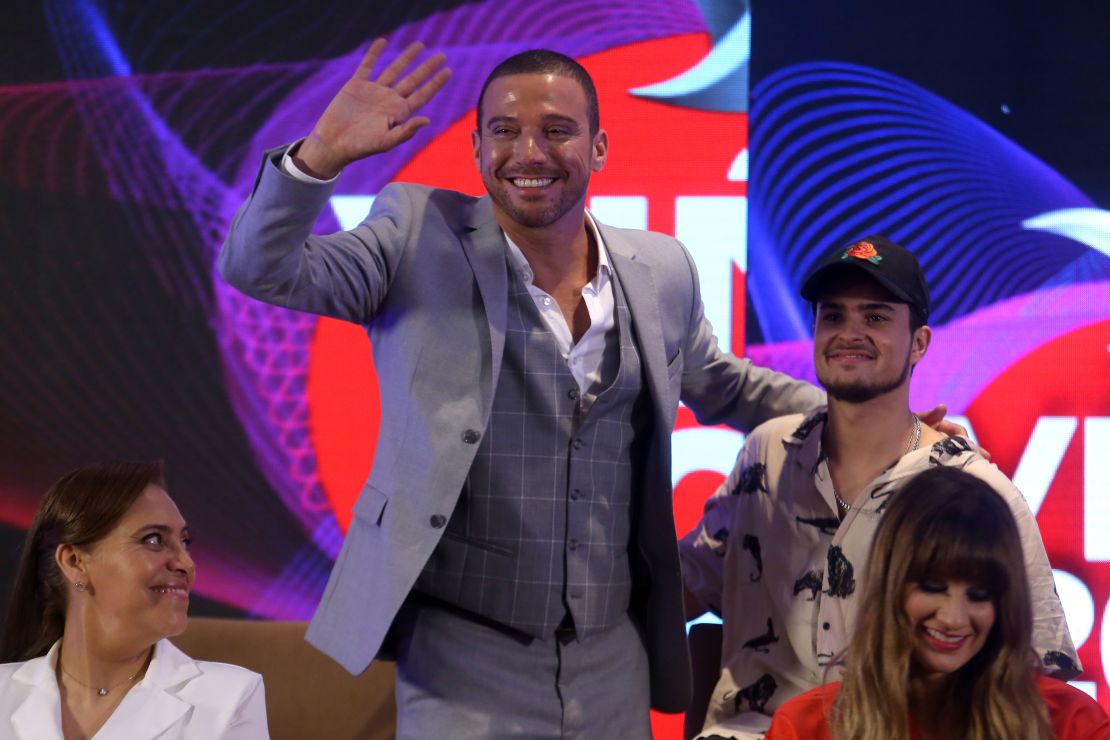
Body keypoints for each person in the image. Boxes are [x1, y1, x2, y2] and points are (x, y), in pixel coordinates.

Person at [217, 38, 833, 737]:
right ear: (477, 148)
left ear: (598, 149)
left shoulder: (661, 267)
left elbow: (722, 384)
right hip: (462, 657)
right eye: (505, 132)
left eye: (556, 131)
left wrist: (867, 418)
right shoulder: (416, 231)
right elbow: (259, 268)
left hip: (613, 656)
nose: (529, 153)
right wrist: (319, 154)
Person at [680, 236, 1078, 738]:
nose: (850, 333)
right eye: (833, 316)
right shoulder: (768, 451)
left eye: (875, 317)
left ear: (919, 343)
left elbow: (1038, 666)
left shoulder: (972, 490)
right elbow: (685, 587)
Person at [765, 466, 1110, 740]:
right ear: (889, 585)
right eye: (932, 586)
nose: (953, 618)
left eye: (979, 595)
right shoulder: (806, 728)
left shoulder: (1069, 724)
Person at [0, 461, 269, 740]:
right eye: (153, 540)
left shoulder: (229, 698)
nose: (186, 564)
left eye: (185, 542)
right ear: (74, 561)